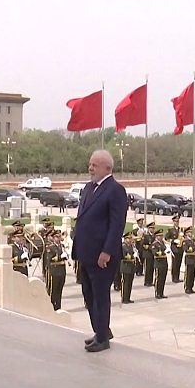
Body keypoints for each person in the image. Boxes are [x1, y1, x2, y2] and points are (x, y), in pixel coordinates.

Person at [71, 150, 127, 353]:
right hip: (86, 253)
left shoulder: (115, 190)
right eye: (90, 164)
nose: (90, 168)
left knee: (100, 296)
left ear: (108, 168)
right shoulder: (88, 188)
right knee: (88, 295)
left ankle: (102, 339)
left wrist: (107, 251)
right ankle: (101, 330)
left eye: (95, 165)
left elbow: (116, 224)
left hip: (102, 256)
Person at [45, 229, 69, 310]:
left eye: (59, 237)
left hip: (62, 271)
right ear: (53, 238)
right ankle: (51, 307)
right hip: (54, 271)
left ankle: (58, 307)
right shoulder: (50, 247)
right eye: (57, 237)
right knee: (53, 291)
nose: (58, 239)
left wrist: (66, 255)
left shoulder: (62, 246)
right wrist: (60, 257)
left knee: (59, 290)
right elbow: (50, 259)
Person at [151, 229, 169, 299]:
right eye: (160, 236)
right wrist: (163, 252)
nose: (161, 237)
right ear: (156, 236)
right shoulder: (154, 244)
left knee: (163, 279)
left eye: (161, 236)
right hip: (158, 263)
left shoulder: (162, 243)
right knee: (158, 279)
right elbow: (154, 252)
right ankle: (157, 293)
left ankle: (161, 292)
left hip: (164, 262)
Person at [120, 232, 137, 304]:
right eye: (128, 239)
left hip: (131, 267)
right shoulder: (123, 246)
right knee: (125, 284)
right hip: (125, 267)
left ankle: (128, 297)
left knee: (130, 283)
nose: (130, 240)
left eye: (130, 238)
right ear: (125, 239)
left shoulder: (131, 246)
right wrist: (132, 256)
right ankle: (124, 298)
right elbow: (123, 256)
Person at [166, 215, 183, 283]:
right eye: (175, 221)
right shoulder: (171, 230)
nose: (177, 222)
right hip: (174, 248)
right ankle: (174, 277)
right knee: (175, 264)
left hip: (180, 249)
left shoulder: (181, 229)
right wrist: (173, 241)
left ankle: (177, 277)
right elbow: (166, 238)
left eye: (178, 221)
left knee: (179, 263)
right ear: (173, 222)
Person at [181, 227, 195, 294]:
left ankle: (191, 287)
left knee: (192, 274)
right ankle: (187, 287)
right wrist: (193, 248)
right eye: (189, 232)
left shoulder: (193, 240)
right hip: (189, 258)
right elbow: (186, 249)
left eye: (191, 232)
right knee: (188, 274)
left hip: (194, 258)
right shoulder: (185, 241)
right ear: (186, 233)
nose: (190, 233)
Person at [142, 222, 156, 286]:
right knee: (147, 268)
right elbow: (143, 245)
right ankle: (146, 281)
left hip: (153, 254)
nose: (152, 229)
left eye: (153, 228)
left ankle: (150, 281)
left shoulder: (155, 236)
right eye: (151, 228)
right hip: (147, 254)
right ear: (148, 228)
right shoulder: (146, 236)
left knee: (152, 268)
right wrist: (150, 247)